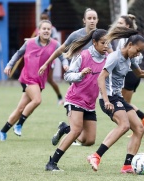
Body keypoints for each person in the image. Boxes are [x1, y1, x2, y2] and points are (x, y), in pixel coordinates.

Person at [87, 27, 144, 173]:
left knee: (139, 128)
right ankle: (95, 156)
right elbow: (101, 78)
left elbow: (141, 73)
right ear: (130, 45)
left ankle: (127, 166)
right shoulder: (114, 57)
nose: (138, 54)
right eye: (137, 50)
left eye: (140, 52)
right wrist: (106, 100)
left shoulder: (129, 59)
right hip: (109, 97)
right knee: (124, 125)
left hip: (118, 97)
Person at [41, 8, 112, 146]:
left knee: (88, 139)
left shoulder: (102, 37)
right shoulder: (76, 35)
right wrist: (46, 64)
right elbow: (60, 50)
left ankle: (66, 129)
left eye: (94, 18)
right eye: (89, 18)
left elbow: (113, 55)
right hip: (77, 80)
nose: (92, 21)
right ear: (84, 20)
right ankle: (71, 133)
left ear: (97, 20)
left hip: (93, 83)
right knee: (78, 127)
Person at [43, 29, 108, 171]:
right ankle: (52, 163)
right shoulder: (83, 55)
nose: (106, 46)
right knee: (76, 131)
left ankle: (64, 128)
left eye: (107, 43)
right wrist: (80, 74)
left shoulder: (107, 58)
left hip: (90, 103)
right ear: (95, 42)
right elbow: (68, 76)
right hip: (75, 99)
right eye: (103, 43)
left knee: (89, 140)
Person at [0, 20, 69, 141]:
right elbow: (18, 54)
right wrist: (9, 65)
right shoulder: (29, 43)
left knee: (21, 108)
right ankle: (19, 124)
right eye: (44, 29)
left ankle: (2, 131)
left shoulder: (55, 44)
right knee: (37, 100)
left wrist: (65, 65)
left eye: (48, 29)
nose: (46, 31)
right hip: (27, 78)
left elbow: (63, 56)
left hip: (39, 81)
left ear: (51, 31)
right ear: (38, 31)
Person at [115, 14, 144, 133]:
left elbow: (120, 56)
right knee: (125, 103)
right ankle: (142, 119)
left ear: (127, 25)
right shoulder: (133, 38)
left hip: (129, 75)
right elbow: (139, 56)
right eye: (118, 22)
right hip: (134, 74)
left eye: (120, 23)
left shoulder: (126, 39)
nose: (118, 25)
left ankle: (140, 121)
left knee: (123, 103)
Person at [31, 8, 64, 105]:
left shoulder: (52, 29)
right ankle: (34, 98)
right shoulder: (38, 29)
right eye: (41, 18)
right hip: (38, 59)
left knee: (49, 80)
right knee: (36, 78)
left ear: (48, 18)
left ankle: (60, 97)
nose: (43, 20)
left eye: (45, 18)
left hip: (49, 59)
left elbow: (55, 42)